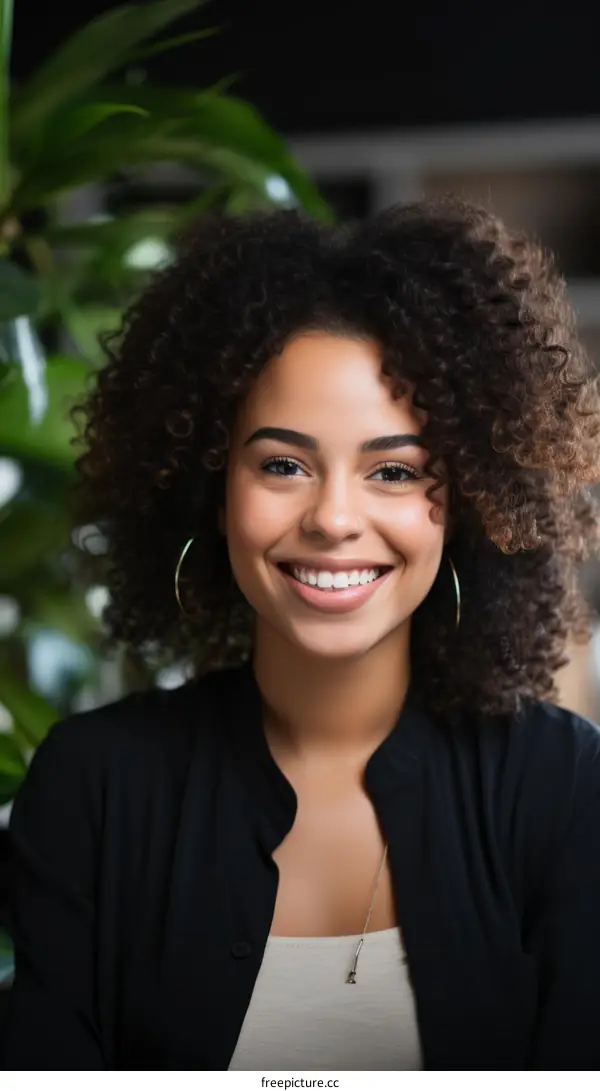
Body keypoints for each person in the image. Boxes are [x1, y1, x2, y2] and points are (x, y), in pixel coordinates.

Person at [2, 196, 600, 1072]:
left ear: (468, 501)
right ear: (210, 484)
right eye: (283, 464)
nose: (333, 518)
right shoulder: (94, 790)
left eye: (393, 471)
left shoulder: (562, 789)